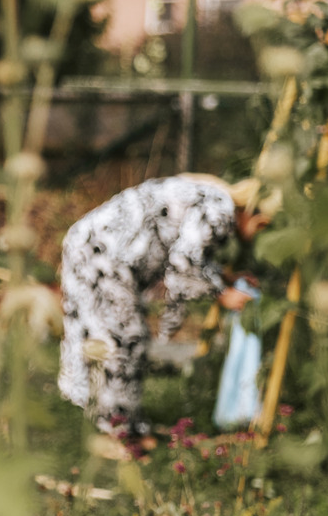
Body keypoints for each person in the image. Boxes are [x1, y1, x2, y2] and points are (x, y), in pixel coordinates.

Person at [57, 174, 273, 441]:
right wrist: (222, 293)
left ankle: (121, 424)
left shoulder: (215, 199)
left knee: (111, 337)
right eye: (263, 227)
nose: (259, 237)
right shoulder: (221, 210)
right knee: (123, 339)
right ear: (254, 214)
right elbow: (183, 262)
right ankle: (117, 431)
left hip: (92, 245)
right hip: (103, 255)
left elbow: (187, 254)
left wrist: (224, 277)